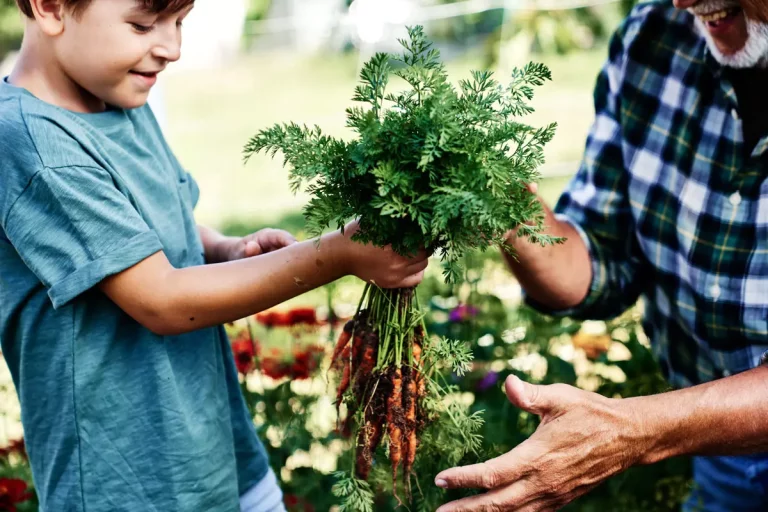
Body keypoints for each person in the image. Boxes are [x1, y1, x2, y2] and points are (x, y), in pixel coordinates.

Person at [0, 1, 429, 511]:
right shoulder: (31, 142)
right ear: (50, 7)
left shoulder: (119, 100)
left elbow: (143, 227)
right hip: (129, 484)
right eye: (142, 25)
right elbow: (160, 300)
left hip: (217, 449)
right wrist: (338, 254)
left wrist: (225, 249)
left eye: (179, 23)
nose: (172, 48)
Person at [434, 0, 768, 511]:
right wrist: (501, 199)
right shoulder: (654, 37)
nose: (682, 2)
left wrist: (634, 430)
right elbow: (599, 259)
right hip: (722, 454)